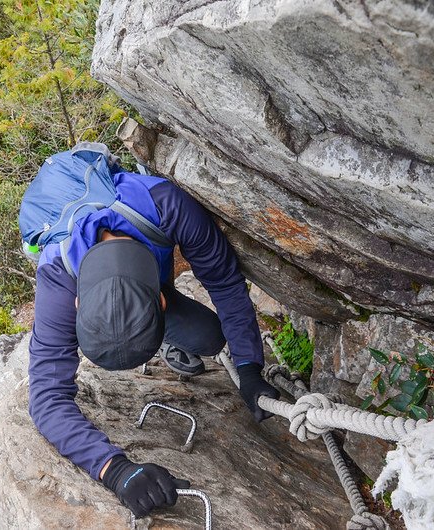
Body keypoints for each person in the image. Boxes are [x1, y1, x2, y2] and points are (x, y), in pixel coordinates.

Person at [27, 161, 279, 518]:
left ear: (162, 300)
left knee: (209, 337)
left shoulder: (164, 205)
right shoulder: (56, 275)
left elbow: (224, 283)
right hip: (71, 237)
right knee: (198, 335)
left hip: (142, 238)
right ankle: (139, 330)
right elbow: (45, 398)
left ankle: (151, 334)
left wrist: (249, 366)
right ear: (77, 305)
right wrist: (114, 469)